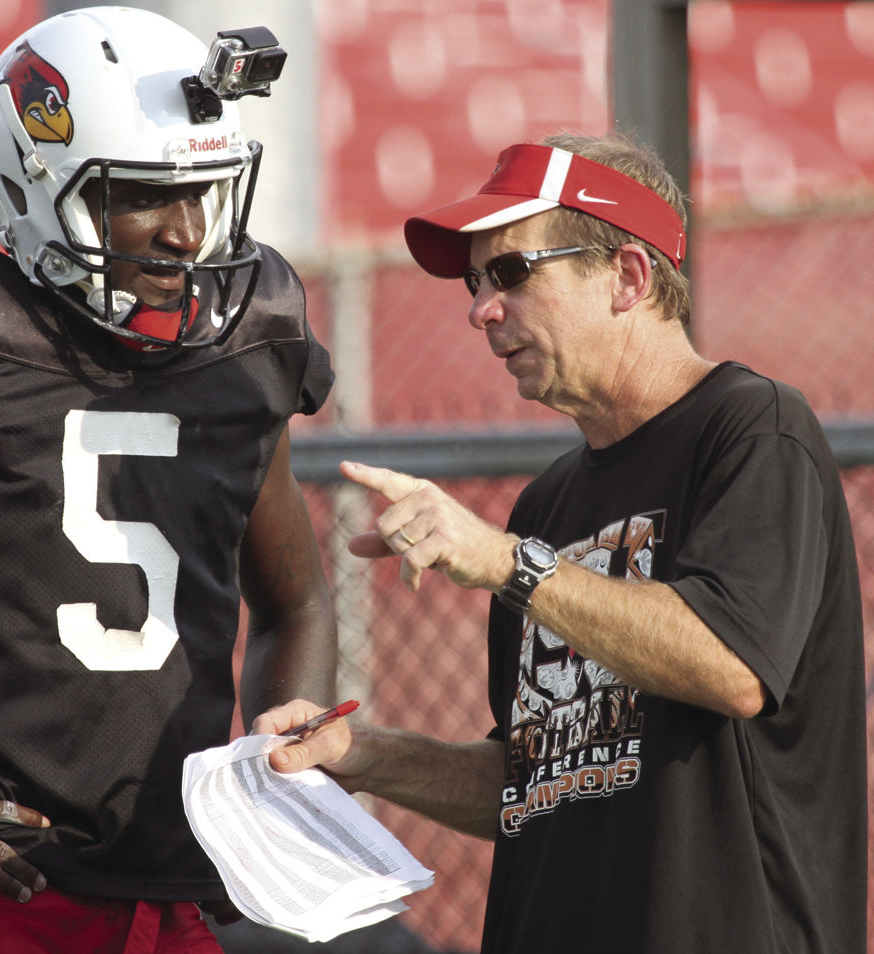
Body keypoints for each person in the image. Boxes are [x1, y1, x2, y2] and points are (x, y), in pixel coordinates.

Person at [256, 131, 868, 953]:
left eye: (511, 272)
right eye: (475, 283)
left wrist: (511, 565)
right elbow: (533, 777)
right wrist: (361, 754)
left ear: (628, 277)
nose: (481, 308)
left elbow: (733, 662)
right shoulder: (548, 502)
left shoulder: (754, 428)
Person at [0, 6, 337, 952]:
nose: (185, 234)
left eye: (202, 192)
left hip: (169, 899)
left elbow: (299, 604)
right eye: (146, 196)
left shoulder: (248, 344)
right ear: (37, 184)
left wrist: (286, 759)